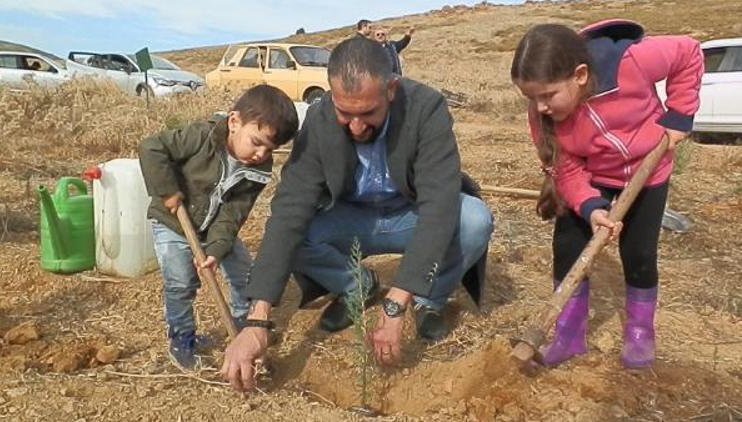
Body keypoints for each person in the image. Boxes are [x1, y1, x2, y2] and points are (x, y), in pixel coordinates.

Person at [222, 36, 493, 391]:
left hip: (409, 215)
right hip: (351, 219)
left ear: (391, 90)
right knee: (298, 234)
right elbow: (289, 211)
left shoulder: (426, 108)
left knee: (473, 219)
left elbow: (438, 207)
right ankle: (357, 287)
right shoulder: (319, 120)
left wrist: (397, 303)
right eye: (344, 113)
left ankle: (429, 299)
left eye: (367, 114)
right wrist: (257, 321)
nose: (355, 126)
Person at [510, 20, 703, 369]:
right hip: (593, 176)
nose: (539, 107)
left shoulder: (631, 62)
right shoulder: (543, 117)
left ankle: (640, 332)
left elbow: (688, 51)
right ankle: (568, 336)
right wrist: (591, 207)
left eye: (548, 95)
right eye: (531, 97)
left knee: (639, 254)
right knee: (567, 246)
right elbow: (566, 171)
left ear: (580, 75)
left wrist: (680, 115)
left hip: (649, 170)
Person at [138, 85, 298, 371]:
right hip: (174, 222)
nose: (261, 154)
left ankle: (243, 325)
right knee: (180, 283)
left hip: (215, 226)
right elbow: (152, 148)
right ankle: (182, 339)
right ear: (234, 122)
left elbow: (234, 213)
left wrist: (216, 249)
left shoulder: (258, 169)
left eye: (269, 149)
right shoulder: (202, 136)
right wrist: (168, 191)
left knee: (242, 274)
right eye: (256, 141)